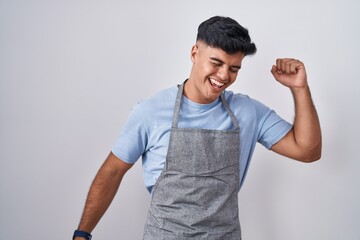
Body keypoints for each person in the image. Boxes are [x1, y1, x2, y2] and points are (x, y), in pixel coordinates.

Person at [73, 16, 322, 240]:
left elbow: (307, 150)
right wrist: (82, 233)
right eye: (216, 63)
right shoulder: (150, 112)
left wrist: (299, 88)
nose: (224, 75)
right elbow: (112, 172)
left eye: (234, 68)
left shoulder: (247, 112)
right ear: (194, 53)